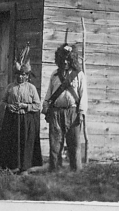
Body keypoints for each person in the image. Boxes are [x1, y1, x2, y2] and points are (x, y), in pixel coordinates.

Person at [0, 45, 43, 175]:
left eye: (23, 75)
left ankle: (25, 168)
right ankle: (13, 166)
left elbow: (37, 105)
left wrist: (25, 106)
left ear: (27, 76)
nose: (20, 77)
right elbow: (2, 101)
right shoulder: (10, 87)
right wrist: (8, 106)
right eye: (18, 74)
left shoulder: (31, 88)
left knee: (25, 143)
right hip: (12, 119)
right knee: (12, 143)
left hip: (26, 119)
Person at [42, 43, 88, 171]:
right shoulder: (55, 75)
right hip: (56, 112)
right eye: (63, 59)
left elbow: (83, 95)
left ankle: (76, 171)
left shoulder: (79, 75)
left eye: (68, 59)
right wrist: (46, 108)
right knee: (55, 143)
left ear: (72, 60)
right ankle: (55, 170)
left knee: (74, 144)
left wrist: (81, 112)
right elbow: (49, 93)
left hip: (73, 112)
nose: (65, 62)